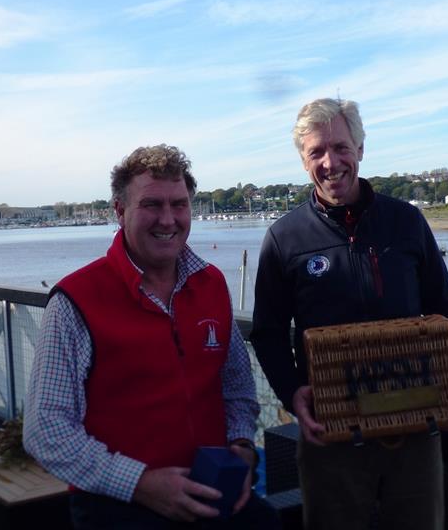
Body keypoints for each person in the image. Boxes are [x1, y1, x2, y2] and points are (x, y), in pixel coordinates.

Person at [23, 145, 279, 530]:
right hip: (118, 506)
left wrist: (242, 447)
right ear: (120, 211)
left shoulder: (211, 284)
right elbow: (46, 430)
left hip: (211, 492)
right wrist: (140, 484)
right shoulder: (76, 300)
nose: (168, 219)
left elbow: (237, 386)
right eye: (151, 205)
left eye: (179, 204)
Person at [250, 98, 448, 530]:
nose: (330, 162)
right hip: (331, 433)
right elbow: (268, 332)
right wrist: (291, 393)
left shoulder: (406, 221)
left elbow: (445, 307)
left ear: (360, 149)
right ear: (303, 160)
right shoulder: (284, 238)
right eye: (316, 152)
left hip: (414, 425)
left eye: (340, 147)